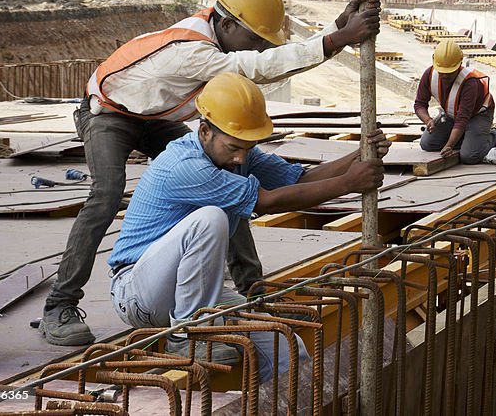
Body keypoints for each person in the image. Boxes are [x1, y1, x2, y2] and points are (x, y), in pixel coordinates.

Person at [40, 0, 380, 346]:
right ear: (228, 24)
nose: (258, 47)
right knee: (106, 194)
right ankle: (60, 304)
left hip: (153, 118)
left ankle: (252, 288)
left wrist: (336, 30)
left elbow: (266, 61)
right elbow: (260, 67)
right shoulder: (194, 49)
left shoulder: (215, 33)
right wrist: (336, 40)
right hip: (109, 113)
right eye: (253, 39)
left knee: (228, 176)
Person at [106, 72, 388, 376]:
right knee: (210, 219)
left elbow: (299, 180)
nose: (241, 157)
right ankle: (186, 336)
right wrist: (348, 184)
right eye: (233, 147)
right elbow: (268, 201)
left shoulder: (238, 153)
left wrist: (358, 155)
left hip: (190, 294)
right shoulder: (185, 166)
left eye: (248, 146)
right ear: (204, 132)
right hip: (137, 292)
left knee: (285, 345)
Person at [414, 39, 496, 164]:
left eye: (449, 73)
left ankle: (493, 136)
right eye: (442, 72)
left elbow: (462, 119)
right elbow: (419, 104)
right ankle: (467, 139)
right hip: (450, 114)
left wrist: (449, 145)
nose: (445, 76)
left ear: (459, 64)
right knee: (427, 143)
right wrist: (428, 120)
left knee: (469, 156)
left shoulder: (470, 83)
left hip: (478, 115)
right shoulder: (429, 74)